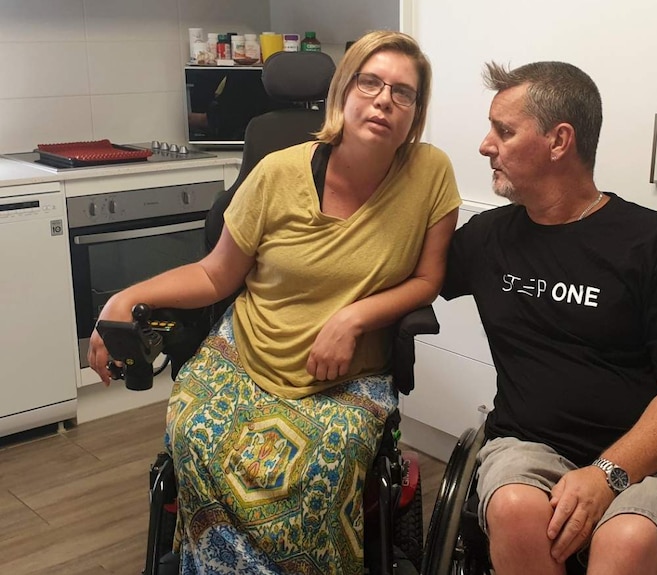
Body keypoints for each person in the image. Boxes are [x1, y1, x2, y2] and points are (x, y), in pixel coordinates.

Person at [88, 31, 461, 574]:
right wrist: (125, 297)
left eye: (402, 93)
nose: (384, 99)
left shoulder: (431, 174)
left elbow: (429, 278)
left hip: (343, 376)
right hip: (247, 352)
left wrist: (354, 317)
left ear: (415, 112)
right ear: (343, 92)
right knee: (192, 430)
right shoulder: (277, 172)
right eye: (371, 82)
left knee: (324, 467)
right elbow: (216, 274)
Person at [441, 61, 657, 575]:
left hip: (650, 463)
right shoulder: (486, 238)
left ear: (558, 140)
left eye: (504, 130)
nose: (485, 145)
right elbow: (404, 274)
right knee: (515, 509)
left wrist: (606, 474)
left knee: (628, 540)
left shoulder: (654, 244)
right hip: (529, 445)